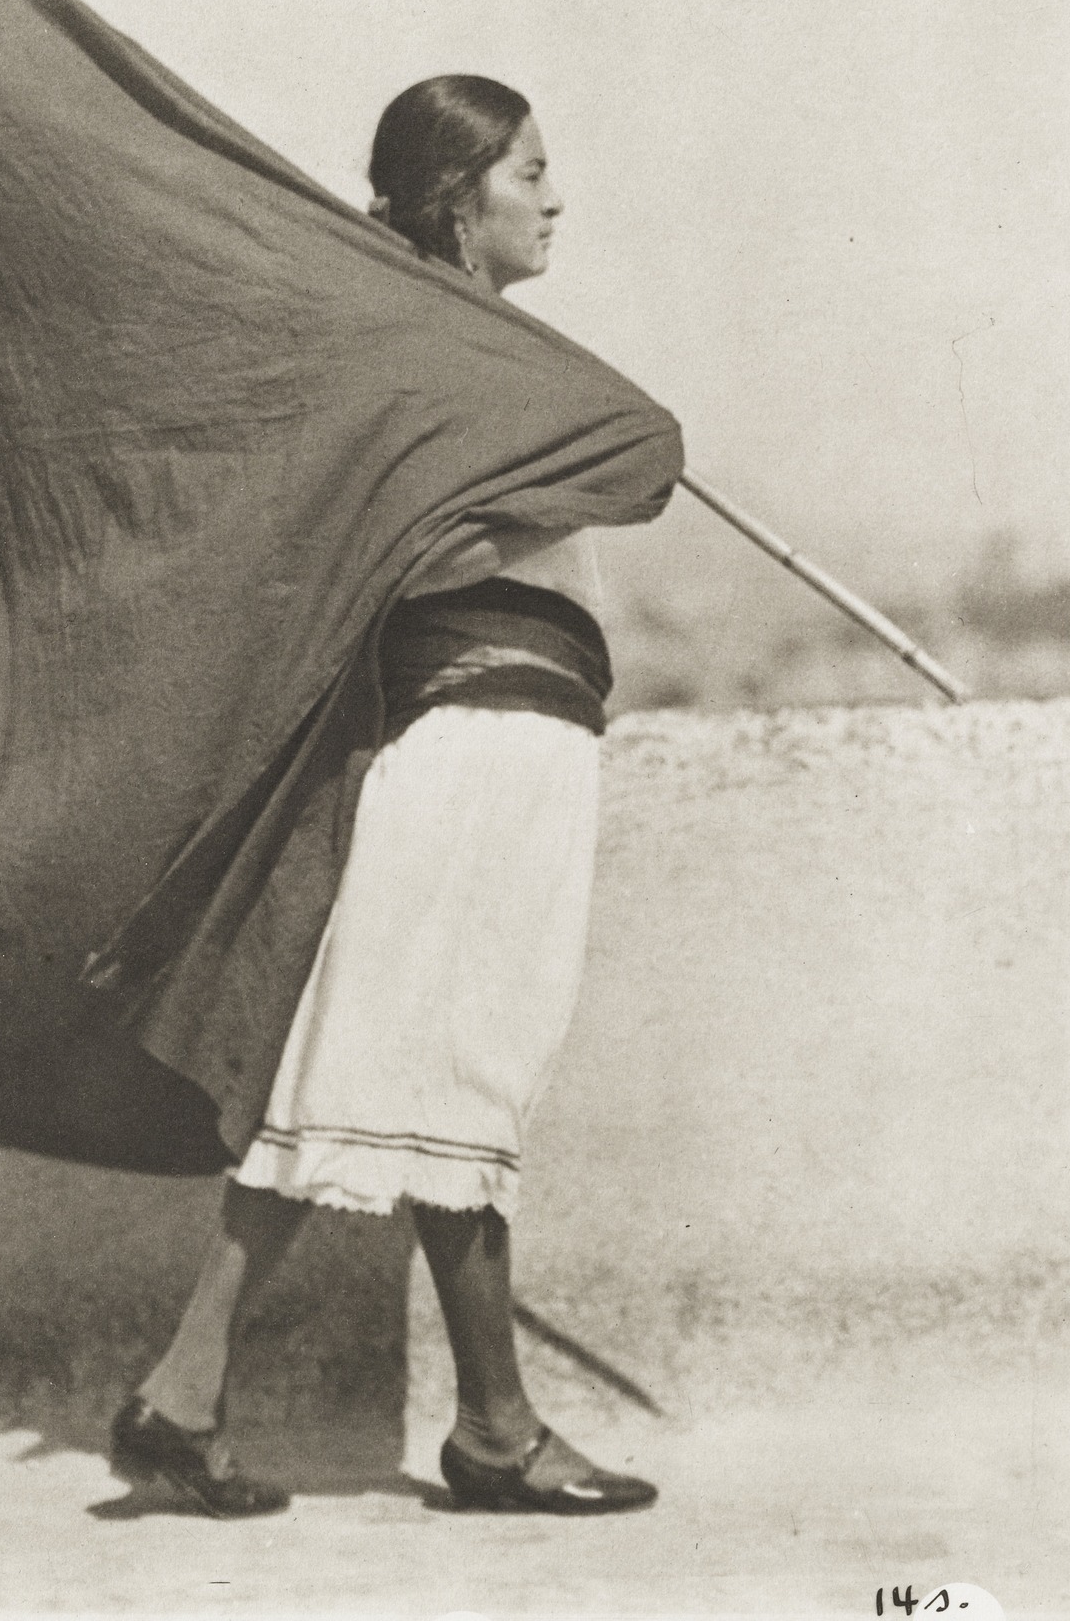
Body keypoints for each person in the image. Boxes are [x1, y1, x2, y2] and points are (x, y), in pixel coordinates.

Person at [110, 76, 660, 1520]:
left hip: (500, 742)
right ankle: (483, 1432)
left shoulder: (471, 355)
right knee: (427, 1076)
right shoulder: (431, 363)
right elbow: (590, 476)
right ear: (456, 200)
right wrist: (555, 450)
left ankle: (202, 1397)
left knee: (375, 1082)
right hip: (470, 747)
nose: (553, 199)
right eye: (529, 174)